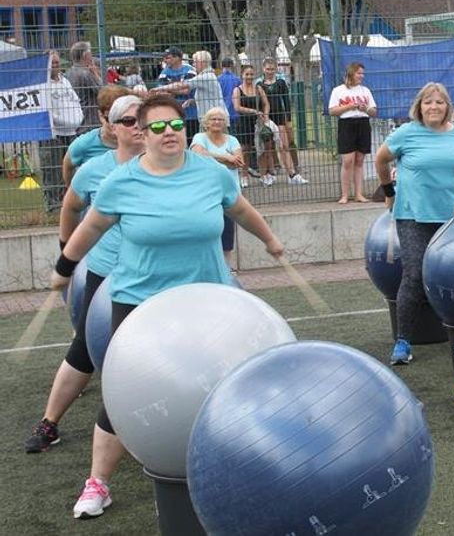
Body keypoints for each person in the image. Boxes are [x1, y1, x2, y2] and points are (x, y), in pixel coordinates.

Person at [50, 93, 283, 520]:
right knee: (124, 396)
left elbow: (242, 210)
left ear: (185, 128)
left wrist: (270, 241)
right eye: (156, 127)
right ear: (142, 132)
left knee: (225, 385)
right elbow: (90, 227)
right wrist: (64, 266)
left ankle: (235, 467)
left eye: (175, 125)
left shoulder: (212, 174)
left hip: (209, 301)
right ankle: (98, 482)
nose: (167, 133)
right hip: (142, 304)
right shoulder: (123, 181)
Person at [23, 95, 144, 455]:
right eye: (129, 121)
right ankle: (50, 423)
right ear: (112, 127)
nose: (138, 127)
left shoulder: (167, 166)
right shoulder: (94, 169)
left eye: (144, 120)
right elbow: (71, 206)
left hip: (153, 277)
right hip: (106, 276)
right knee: (86, 349)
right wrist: (67, 254)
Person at [374, 83, 454, 365]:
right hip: (413, 215)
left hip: (451, 217)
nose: (433, 107)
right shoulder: (407, 133)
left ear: (447, 106)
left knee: (453, 275)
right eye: (428, 102)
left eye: (439, 102)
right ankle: (403, 341)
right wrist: (389, 192)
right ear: (419, 106)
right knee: (414, 275)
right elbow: (380, 159)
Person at [191, 106, 246, 266]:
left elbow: (238, 163)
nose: (217, 122)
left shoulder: (232, 140)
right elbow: (199, 155)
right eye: (213, 119)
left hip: (229, 196)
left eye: (220, 119)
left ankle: (226, 269)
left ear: (225, 123)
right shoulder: (199, 137)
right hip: (206, 195)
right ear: (206, 123)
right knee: (207, 233)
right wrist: (226, 157)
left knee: (227, 237)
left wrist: (216, 158)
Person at [39, 50, 84, 212]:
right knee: (52, 170)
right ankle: (53, 206)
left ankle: (71, 203)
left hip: (72, 133)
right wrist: (64, 121)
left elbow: (75, 102)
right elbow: (47, 111)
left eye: (57, 62)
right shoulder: (43, 86)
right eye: (52, 63)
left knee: (72, 170)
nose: (55, 66)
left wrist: (77, 119)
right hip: (53, 134)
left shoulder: (65, 81)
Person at [329, 61, 377, 203]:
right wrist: (349, 106)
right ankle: (344, 194)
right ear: (351, 73)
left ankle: (358, 193)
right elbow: (332, 110)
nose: (361, 76)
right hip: (347, 124)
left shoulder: (365, 91)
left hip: (362, 123)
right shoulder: (338, 90)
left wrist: (365, 109)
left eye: (362, 73)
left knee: (360, 160)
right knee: (348, 160)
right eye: (359, 73)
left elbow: (373, 111)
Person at [62, 85, 130, 186]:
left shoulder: (139, 142)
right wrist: (75, 191)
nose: (114, 124)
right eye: (110, 118)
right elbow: (67, 166)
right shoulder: (85, 144)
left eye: (123, 119)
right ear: (101, 115)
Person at [258, 57, 307, 184]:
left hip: (280, 117)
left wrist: (288, 119)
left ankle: (292, 174)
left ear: (276, 69)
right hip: (266, 118)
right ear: (263, 69)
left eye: (272, 69)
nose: (270, 71)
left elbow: (286, 101)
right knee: (268, 147)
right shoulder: (259, 84)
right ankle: (270, 173)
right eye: (268, 69)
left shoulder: (281, 83)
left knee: (284, 145)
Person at [154, 50, 222, 136]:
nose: (193, 64)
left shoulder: (204, 77)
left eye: (195, 62)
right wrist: (191, 101)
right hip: (204, 118)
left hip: (211, 119)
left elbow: (184, 87)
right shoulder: (204, 76)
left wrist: (162, 88)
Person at [232, 64, 270, 184]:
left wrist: (266, 115)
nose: (249, 76)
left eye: (251, 74)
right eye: (247, 74)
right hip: (244, 123)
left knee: (261, 149)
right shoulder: (237, 90)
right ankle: (244, 176)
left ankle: (264, 176)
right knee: (245, 150)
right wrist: (253, 111)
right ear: (242, 75)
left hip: (258, 122)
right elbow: (237, 107)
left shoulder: (258, 88)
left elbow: (266, 103)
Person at [156, 46, 197, 137]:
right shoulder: (164, 73)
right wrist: (178, 88)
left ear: (177, 58)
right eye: (164, 58)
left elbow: (187, 90)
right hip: (173, 113)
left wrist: (169, 89)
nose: (165, 60)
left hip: (191, 113)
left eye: (168, 58)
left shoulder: (189, 70)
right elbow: (161, 93)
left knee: (192, 139)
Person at [64, 41, 103, 131]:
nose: (92, 57)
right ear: (85, 56)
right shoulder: (86, 74)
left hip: (75, 119)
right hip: (90, 121)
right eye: (90, 54)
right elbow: (103, 91)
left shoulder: (68, 73)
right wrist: (96, 74)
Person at [218, 57, 241, 123]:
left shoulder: (218, 79)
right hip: (235, 111)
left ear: (221, 66)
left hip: (222, 111)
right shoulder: (237, 79)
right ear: (232, 66)